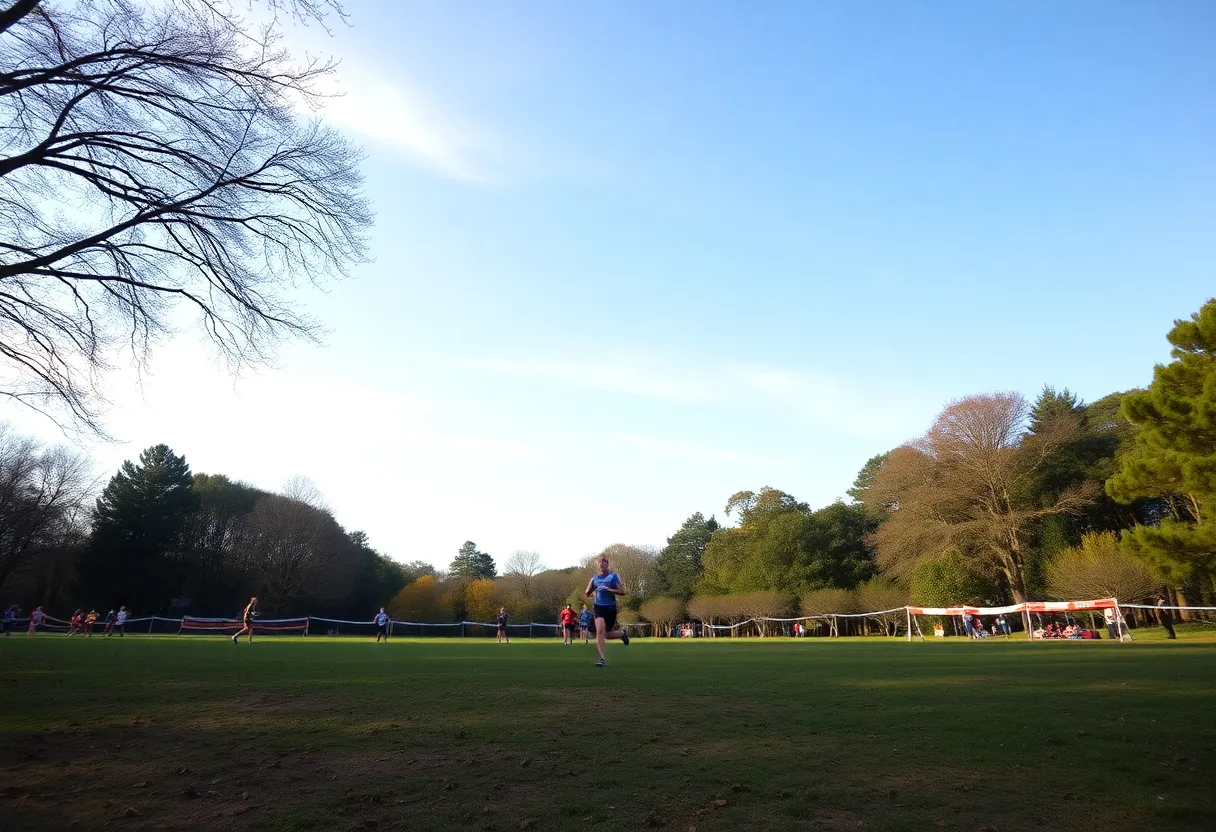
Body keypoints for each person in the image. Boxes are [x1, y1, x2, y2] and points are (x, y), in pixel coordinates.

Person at [583, 555, 630, 667]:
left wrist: (609, 590)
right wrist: (591, 590)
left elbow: (622, 591)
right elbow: (587, 593)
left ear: (607, 564)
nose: (601, 564)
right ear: (597, 565)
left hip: (610, 608)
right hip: (598, 607)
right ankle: (602, 659)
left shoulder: (613, 577)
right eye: (599, 563)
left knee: (607, 635)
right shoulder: (594, 578)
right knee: (599, 631)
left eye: (603, 562)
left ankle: (622, 634)